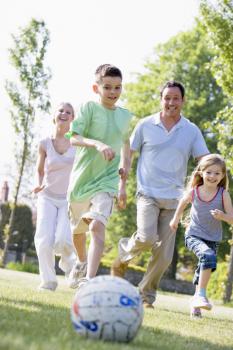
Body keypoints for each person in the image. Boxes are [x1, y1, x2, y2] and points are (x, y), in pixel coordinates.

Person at [111, 81, 209, 308]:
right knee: (146, 237)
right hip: (147, 194)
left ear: (183, 101)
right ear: (161, 99)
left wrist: (213, 169)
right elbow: (128, 154)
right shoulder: (145, 125)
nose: (171, 102)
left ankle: (146, 297)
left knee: (164, 257)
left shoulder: (191, 130)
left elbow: (203, 159)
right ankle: (121, 260)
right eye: (167, 98)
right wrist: (121, 185)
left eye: (176, 98)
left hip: (175, 200)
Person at [66, 64, 132, 289]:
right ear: (96, 88)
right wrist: (97, 143)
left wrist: (123, 182)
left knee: (96, 227)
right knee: (78, 233)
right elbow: (73, 138)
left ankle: (89, 280)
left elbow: (126, 146)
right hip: (81, 182)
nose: (113, 92)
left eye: (118, 87)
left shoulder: (125, 116)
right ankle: (82, 262)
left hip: (107, 181)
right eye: (108, 87)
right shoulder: (88, 108)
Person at [170, 154, 233, 318]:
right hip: (194, 235)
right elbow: (182, 203)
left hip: (213, 238)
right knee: (207, 255)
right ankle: (201, 296)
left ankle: (196, 305)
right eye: (209, 172)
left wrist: (223, 216)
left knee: (204, 266)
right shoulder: (194, 191)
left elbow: (232, 219)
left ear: (223, 175)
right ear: (201, 173)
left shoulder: (223, 194)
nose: (213, 176)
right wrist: (175, 219)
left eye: (217, 173)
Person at [33, 102, 77, 291]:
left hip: (68, 199)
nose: (64, 113)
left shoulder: (76, 142)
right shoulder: (44, 143)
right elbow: (39, 170)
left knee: (64, 240)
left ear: (72, 118)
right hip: (47, 196)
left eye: (68, 112)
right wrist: (38, 183)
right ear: (54, 115)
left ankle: (67, 266)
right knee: (44, 239)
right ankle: (48, 281)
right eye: (61, 110)